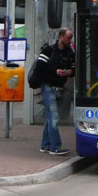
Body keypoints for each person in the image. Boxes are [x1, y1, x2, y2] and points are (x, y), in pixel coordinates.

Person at [37, 28, 75, 156]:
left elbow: (73, 67)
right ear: (61, 37)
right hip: (48, 86)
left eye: (71, 38)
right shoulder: (49, 50)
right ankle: (56, 147)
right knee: (54, 117)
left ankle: (45, 145)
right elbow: (39, 67)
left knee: (50, 117)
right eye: (68, 38)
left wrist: (70, 72)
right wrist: (55, 72)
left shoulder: (70, 53)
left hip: (59, 87)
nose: (70, 41)